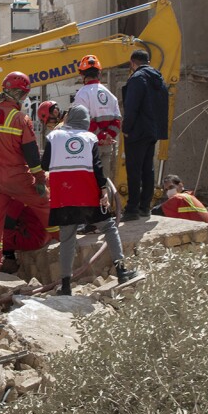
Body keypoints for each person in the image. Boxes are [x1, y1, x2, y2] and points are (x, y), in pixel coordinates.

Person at [43, 105, 138, 295]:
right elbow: (97, 167)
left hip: (64, 196)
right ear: (85, 120)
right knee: (109, 228)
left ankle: (66, 285)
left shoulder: (54, 136)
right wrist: (103, 189)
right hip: (88, 195)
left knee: (67, 239)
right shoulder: (90, 138)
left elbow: (45, 164)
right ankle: (121, 271)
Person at [0, 72, 51, 282]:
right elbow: (31, 153)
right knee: (45, 203)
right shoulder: (20, 119)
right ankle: (63, 243)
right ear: (20, 93)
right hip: (15, 175)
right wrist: (40, 179)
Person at [121, 49, 169, 220]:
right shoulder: (159, 79)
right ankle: (145, 206)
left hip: (137, 131)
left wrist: (126, 129)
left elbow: (132, 107)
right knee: (148, 169)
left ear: (133, 63)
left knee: (134, 170)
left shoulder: (137, 79)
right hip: (153, 132)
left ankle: (132, 208)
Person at [73, 55, 123, 181]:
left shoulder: (82, 94)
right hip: (106, 145)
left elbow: (83, 122)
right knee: (104, 181)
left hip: (89, 146)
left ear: (82, 75)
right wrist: (108, 136)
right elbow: (117, 120)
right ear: (99, 73)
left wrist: (101, 136)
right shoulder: (110, 95)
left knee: (89, 182)